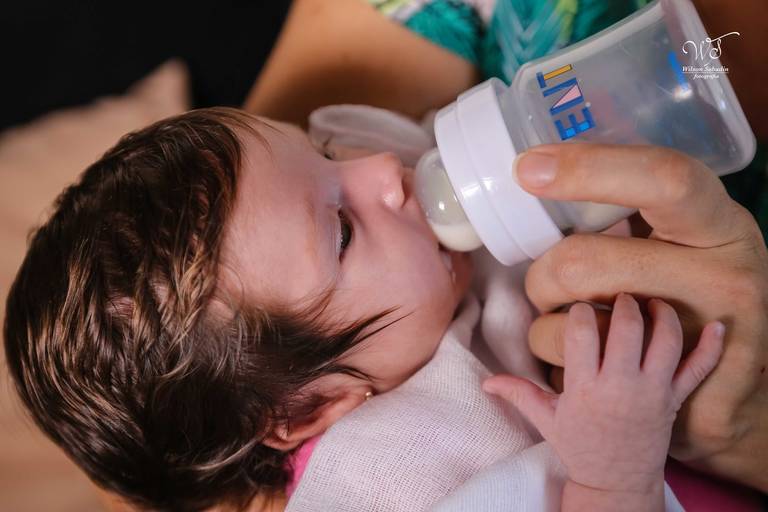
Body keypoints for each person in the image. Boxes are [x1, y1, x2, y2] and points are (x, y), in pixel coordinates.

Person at [3, 105, 726, 512]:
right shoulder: (381, 483)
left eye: (322, 152)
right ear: (309, 407)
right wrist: (611, 476)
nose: (383, 170)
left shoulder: (415, 274)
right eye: (344, 230)